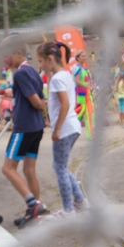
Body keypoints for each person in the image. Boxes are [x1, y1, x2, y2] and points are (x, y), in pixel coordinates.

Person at [2, 40, 48, 227]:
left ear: (18, 52)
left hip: (24, 127)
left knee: (7, 168)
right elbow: (41, 100)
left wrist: (28, 107)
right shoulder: (32, 70)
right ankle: (33, 215)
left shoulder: (20, 73)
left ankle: (32, 203)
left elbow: (37, 102)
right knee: (29, 170)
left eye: (6, 55)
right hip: (36, 127)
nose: (4, 60)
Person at [41, 41, 87, 217]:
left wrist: (56, 129)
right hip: (72, 126)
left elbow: (65, 104)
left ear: (50, 59)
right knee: (60, 166)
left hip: (65, 128)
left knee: (59, 168)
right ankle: (80, 201)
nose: (40, 65)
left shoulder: (58, 78)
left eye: (41, 61)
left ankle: (68, 210)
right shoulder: (65, 75)